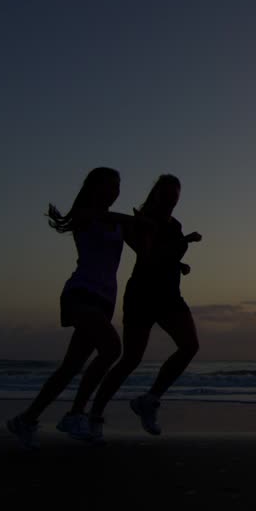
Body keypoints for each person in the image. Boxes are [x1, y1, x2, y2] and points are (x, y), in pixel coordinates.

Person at [5, 167, 131, 449]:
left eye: (117, 186)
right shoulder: (85, 215)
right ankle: (76, 414)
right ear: (94, 187)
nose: (114, 191)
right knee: (112, 348)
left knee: (70, 367)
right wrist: (137, 220)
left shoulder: (118, 223)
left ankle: (26, 419)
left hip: (105, 300)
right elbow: (104, 217)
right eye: (109, 185)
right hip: (81, 294)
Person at [89, 174, 201, 438]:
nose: (171, 200)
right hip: (142, 294)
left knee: (189, 346)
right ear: (157, 194)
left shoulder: (175, 224)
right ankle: (95, 415)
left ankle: (150, 400)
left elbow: (166, 255)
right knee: (131, 358)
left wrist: (179, 264)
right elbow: (148, 254)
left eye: (175, 195)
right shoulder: (142, 220)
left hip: (169, 294)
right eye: (167, 194)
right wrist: (185, 241)